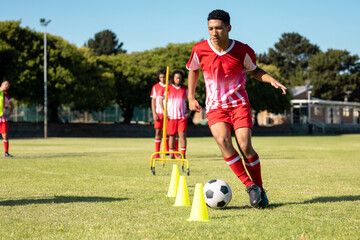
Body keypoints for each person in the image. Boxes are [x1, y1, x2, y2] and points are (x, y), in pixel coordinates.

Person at [186, 9, 287, 208]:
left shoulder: (242, 50)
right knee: (223, 141)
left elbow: (255, 70)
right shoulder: (199, 49)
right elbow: (193, 70)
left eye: (218, 29)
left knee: (245, 145)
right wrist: (190, 97)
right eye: (210, 29)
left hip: (239, 105)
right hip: (215, 107)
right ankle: (250, 186)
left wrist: (271, 80)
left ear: (228, 28)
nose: (214, 33)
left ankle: (260, 188)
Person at [165, 70, 190, 159]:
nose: (178, 80)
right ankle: (172, 154)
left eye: (180, 78)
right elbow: (162, 100)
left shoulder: (185, 89)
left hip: (182, 117)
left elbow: (191, 100)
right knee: (171, 135)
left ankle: (183, 153)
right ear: (173, 79)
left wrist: (189, 111)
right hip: (171, 116)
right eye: (176, 78)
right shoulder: (168, 88)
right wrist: (165, 112)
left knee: (182, 135)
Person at [150, 69, 169, 158]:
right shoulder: (155, 87)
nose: (162, 79)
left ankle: (167, 150)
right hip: (159, 113)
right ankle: (157, 153)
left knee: (168, 132)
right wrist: (154, 113)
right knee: (158, 132)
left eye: (164, 77)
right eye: (160, 77)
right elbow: (153, 101)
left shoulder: (170, 86)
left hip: (169, 113)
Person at [0, 79, 15, 157]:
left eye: (8, 85)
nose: (7, 86)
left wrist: (9, 114)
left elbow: (12, 105)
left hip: (2, 118)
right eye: (6, 84)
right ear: (2, 84)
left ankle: (6, 153)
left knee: (5, 135)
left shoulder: (5, 95)